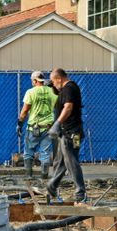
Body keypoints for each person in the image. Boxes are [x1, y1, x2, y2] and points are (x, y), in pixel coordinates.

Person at [46, 68, 87, 202]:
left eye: (53, 81)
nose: (53, 84)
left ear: (59, 78)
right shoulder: (64, 90)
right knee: (61, 161)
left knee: (71, 161)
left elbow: (68, 107)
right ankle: (52, 185)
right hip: (66, 132)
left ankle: (80, 191)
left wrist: (57, 123)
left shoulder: (69, 88)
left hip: (72, 132)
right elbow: (62, 101)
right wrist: (53, 87)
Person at [17, 71, 58, 179]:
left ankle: (29, 176)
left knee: (29, 151)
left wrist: (19, 124)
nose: (31, 82)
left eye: (32, 80)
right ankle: (44, 177)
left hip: (33, 128)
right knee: (45, 153)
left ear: (35, 80)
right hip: (48, 127)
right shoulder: (52, 92)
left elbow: (25, 110)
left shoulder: (30, 92)